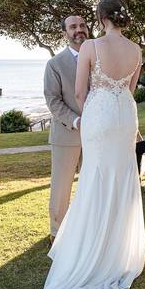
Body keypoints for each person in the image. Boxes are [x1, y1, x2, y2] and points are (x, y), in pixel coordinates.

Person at [0, 0, 145, 289]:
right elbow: (130, 90)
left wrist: (93, 114)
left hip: (100, 117)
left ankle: (89, 248)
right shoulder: (136, 50)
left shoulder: (93, 46)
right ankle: (116, 249)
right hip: (125, 115)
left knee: (94, 180)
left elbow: (81, 93)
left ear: (100, 18)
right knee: (122, 179)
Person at [43, 15, 87, 239]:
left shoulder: (100, 59)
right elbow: (52, 100)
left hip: (96, 136)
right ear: (65, 33)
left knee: (92, 186)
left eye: (82, 25)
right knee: (61, 188)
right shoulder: (55, 64)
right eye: (73, 27)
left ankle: (87, 230)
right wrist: (76, 120)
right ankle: (57, 233)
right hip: (66, 135)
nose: (78, 30)